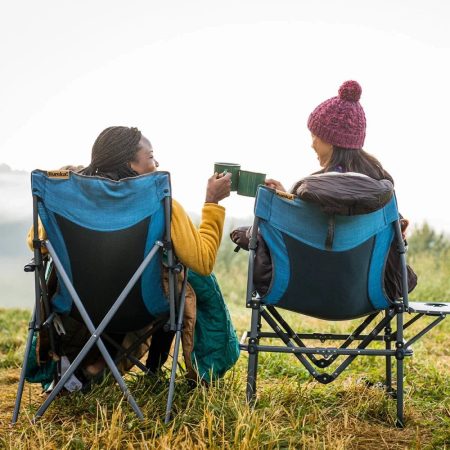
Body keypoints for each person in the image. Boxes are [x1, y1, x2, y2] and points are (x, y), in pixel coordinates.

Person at [28, 126, 233, 381]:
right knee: (179, 275)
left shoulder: (70, 203)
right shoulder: (162, 204)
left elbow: (33, 242)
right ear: (130, 164)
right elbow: (202, 263)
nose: (157, 163)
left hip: (76, 307)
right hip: (142, 307)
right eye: (150, 157)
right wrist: (212, 203)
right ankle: (155, 371)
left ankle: (89, 367)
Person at [232, 80, 417, 299]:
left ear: (331, 141)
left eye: (315, 137)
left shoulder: (309, 189)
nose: (312, 144)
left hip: (297, 291)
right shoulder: (381, 193)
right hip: (366, 296)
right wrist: (288, 198)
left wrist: (286, 205)